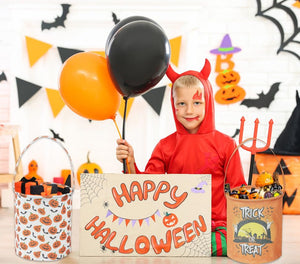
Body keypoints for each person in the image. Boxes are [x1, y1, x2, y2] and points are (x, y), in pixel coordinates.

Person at [116, 59, 246, 256]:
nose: (189, 111)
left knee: (232, 241)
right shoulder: (165, 146)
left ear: (208, 102)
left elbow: (238, 190)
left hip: (218, 225)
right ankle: (182, 246)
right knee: (143, 233)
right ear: (173, 105)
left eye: (197, 102)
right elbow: (147, 190)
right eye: (182, 104)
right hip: (177, 224)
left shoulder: (226, 145)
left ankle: (183, 247)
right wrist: (131, 162)